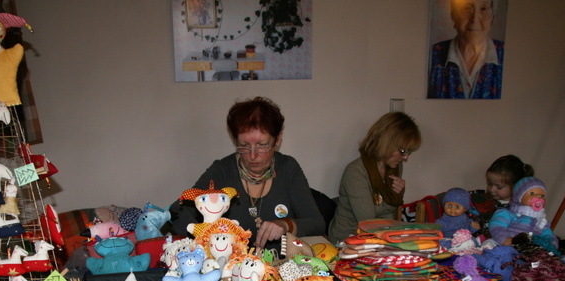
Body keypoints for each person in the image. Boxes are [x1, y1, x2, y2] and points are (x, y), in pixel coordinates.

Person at [169, 96, 325, 249]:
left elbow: (317, 223)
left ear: (277, 140)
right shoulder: (223, 171)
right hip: (232, 263)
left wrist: (286, 224)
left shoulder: (288, 168)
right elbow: (177, 210)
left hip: (282, 263)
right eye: (244, 145)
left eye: (262, 145)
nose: (252, 155)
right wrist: (205, 239)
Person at [328, 112, 421, 244]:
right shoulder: (356, 172)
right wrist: (394, 197)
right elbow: (368, 221)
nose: (406, 158)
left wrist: (398, 194)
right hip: (349, 238)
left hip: (380, 234)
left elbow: (388, 215)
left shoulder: (394, 167)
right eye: (403, 151)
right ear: (387, 143)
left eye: (408, 152)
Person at [428, 0, 504, 99]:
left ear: (492, 18)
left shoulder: (508, 54)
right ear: (454, 16)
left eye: (483, 8)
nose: (475, 19)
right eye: (467, 8)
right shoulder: (432, 55)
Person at [488, 176, 558, 250]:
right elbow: (496, 227)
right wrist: (505, 240)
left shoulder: (542, 221)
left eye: (542, 195)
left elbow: (550, 236)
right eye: (532, 193)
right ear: (519, 197)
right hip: (506, 246)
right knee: (492, 247)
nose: (538, 197)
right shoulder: (508, 214)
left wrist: (551, 246)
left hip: (528, 251)